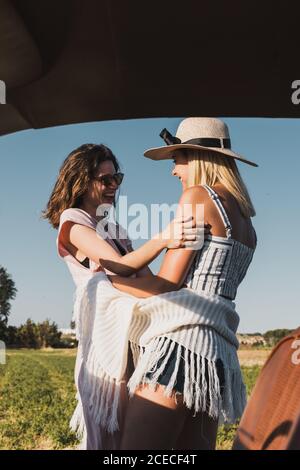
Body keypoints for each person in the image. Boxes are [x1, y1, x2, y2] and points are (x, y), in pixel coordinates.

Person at [106, 117, 258, 450]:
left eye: (177, 160)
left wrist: (108, 282)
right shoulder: (247, 220)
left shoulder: (197, 196)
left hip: (179, 349)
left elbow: (166, 286)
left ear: (195, 158)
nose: (174, 171)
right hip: (216, 360)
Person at [42, 142, 201, 449]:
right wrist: (163, 240)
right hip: (108, 348)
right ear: (81, 181)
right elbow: (119, 267)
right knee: (112, 438)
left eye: (118, 178)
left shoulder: (114, 228)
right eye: (106, 179)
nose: (114, 185)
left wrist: (184, 285)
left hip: (133, 339)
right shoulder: (73, 222)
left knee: (134, 436)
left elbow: (151, 282)